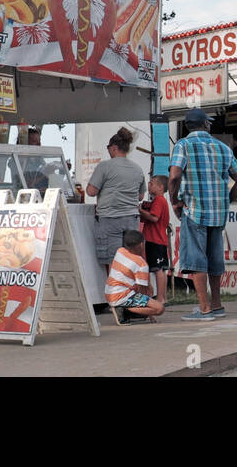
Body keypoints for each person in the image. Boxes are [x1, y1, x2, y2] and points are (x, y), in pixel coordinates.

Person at [169, 108, 237, 322]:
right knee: (214, 259)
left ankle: (204, 309)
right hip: (218, 214)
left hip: (194, 211)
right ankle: (216, 305)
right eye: (209, 122)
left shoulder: (183, 145)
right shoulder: (223, 148)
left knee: (196, 261)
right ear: (204, 124)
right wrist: (227, 200)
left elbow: (175, 175)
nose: (210, 125)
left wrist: (174, 200)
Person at [87, 127, 146, 273]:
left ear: (114, 148)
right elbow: (140, 196)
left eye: (108, 148)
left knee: (114, 262)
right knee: (132, 260)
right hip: (132, 219)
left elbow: (91, 191)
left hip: (110, 219)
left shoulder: (104, 166)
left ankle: (117, 293)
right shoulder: (137, 168)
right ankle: (130, 293)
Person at [105, 230, 165, 324]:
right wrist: (150, 312)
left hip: (110, 293)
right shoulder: (141, 263)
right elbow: (142, 291)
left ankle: (124, 309)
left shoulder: (120, 251)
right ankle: (124, 310)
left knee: (149, 300)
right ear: (142, 244)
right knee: (159, 308)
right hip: (123, 296)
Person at [138, 175, 171, 303]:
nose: (149, 186)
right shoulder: (160, 201)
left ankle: (160, 297)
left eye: (151, 184)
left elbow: (154, 217)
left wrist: (140, 211)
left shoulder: (159, 200)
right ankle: (163, 297)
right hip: (159, 239)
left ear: (161, 187)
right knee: (162, 269)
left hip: (155, 240)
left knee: (158, 269)